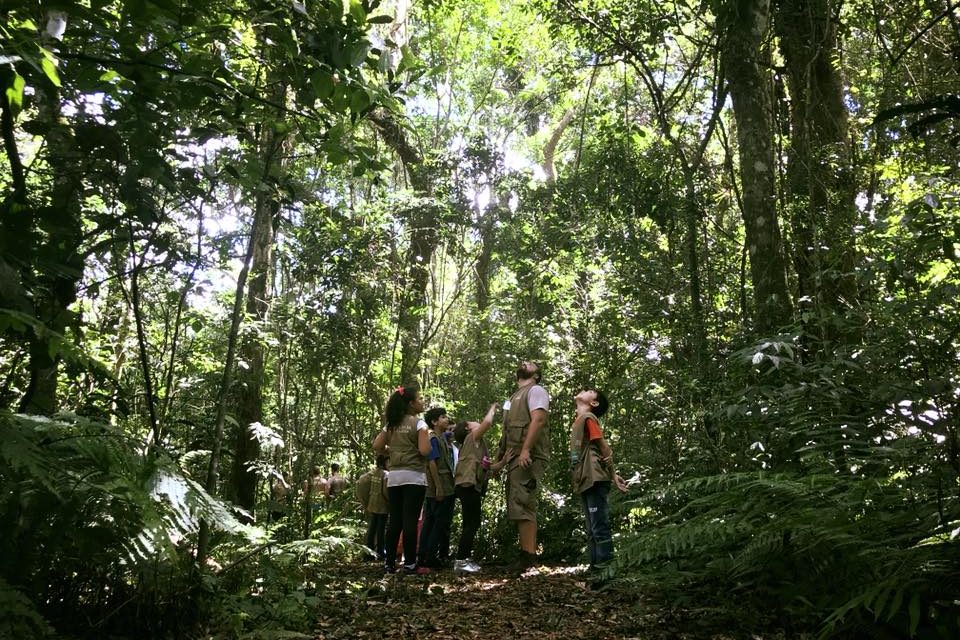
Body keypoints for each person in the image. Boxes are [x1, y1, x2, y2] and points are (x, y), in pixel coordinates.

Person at [569, 389, 627, 585]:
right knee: (591, 528)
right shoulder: (580, 420)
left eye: (590, 391)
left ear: (593, 403)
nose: (585, 390)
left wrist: (613, 475)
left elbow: (604, 448)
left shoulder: (588, 418)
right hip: (585, 478)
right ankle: (595, 572)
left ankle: (605, 574)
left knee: (599, 527)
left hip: (595, 477)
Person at [373, 385, 432, 575]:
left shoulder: (391, 424)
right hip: (414, 476)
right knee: (410, 521)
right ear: (411, 404)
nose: (422, 401)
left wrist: (392, 452)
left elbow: (377, 446)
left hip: (395, 477)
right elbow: (424, 450)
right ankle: (410, 564)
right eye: (420, 399)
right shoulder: (420, 424)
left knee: (395, 521)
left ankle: (389, 564)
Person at [501, 360, 550, 573]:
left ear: (536, 375)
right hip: (515, 459)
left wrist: (526, 450)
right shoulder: (513, 398)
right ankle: (525, 553)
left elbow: (538, 420)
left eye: (532, 364)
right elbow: (506, 432)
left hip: (528, 457)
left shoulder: (536, 390)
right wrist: (500, 461)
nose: (526, 362)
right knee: (517, 504)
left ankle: (528, 557)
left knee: (523, 503)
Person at [452, 403, 512, 574]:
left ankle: (464, 558)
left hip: (472, 486)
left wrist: (504, 461)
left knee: (473, 523)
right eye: (472, 422)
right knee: (470, 523)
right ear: (468, 429)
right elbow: (487, 423)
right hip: (467, 486)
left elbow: (489, 468)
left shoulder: (477, 445)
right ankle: (461, 561)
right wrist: (493, 408)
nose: (476, 422)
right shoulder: (472, 438)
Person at [418, 406, 456, 568]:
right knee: (436, 523)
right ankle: (429, 557)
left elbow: (450, 433)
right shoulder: (433, 438)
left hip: (443, 484)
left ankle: (425, 555)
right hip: (439, 486)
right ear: (434, 422)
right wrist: (439, 487)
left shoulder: (441, 437)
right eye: (443, 417)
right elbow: (432, 463)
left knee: (432, 521)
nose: (446, 419)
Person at [356, 456, 390, 561]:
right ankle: (381, 551)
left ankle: (368, 552)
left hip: (372, 504)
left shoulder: (373, 473)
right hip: (382, 505)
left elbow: (360, 483)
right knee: (381, 529)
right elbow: (386, 491)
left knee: (372, 528)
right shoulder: (386, 474)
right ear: (385, 462)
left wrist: (365, 501)